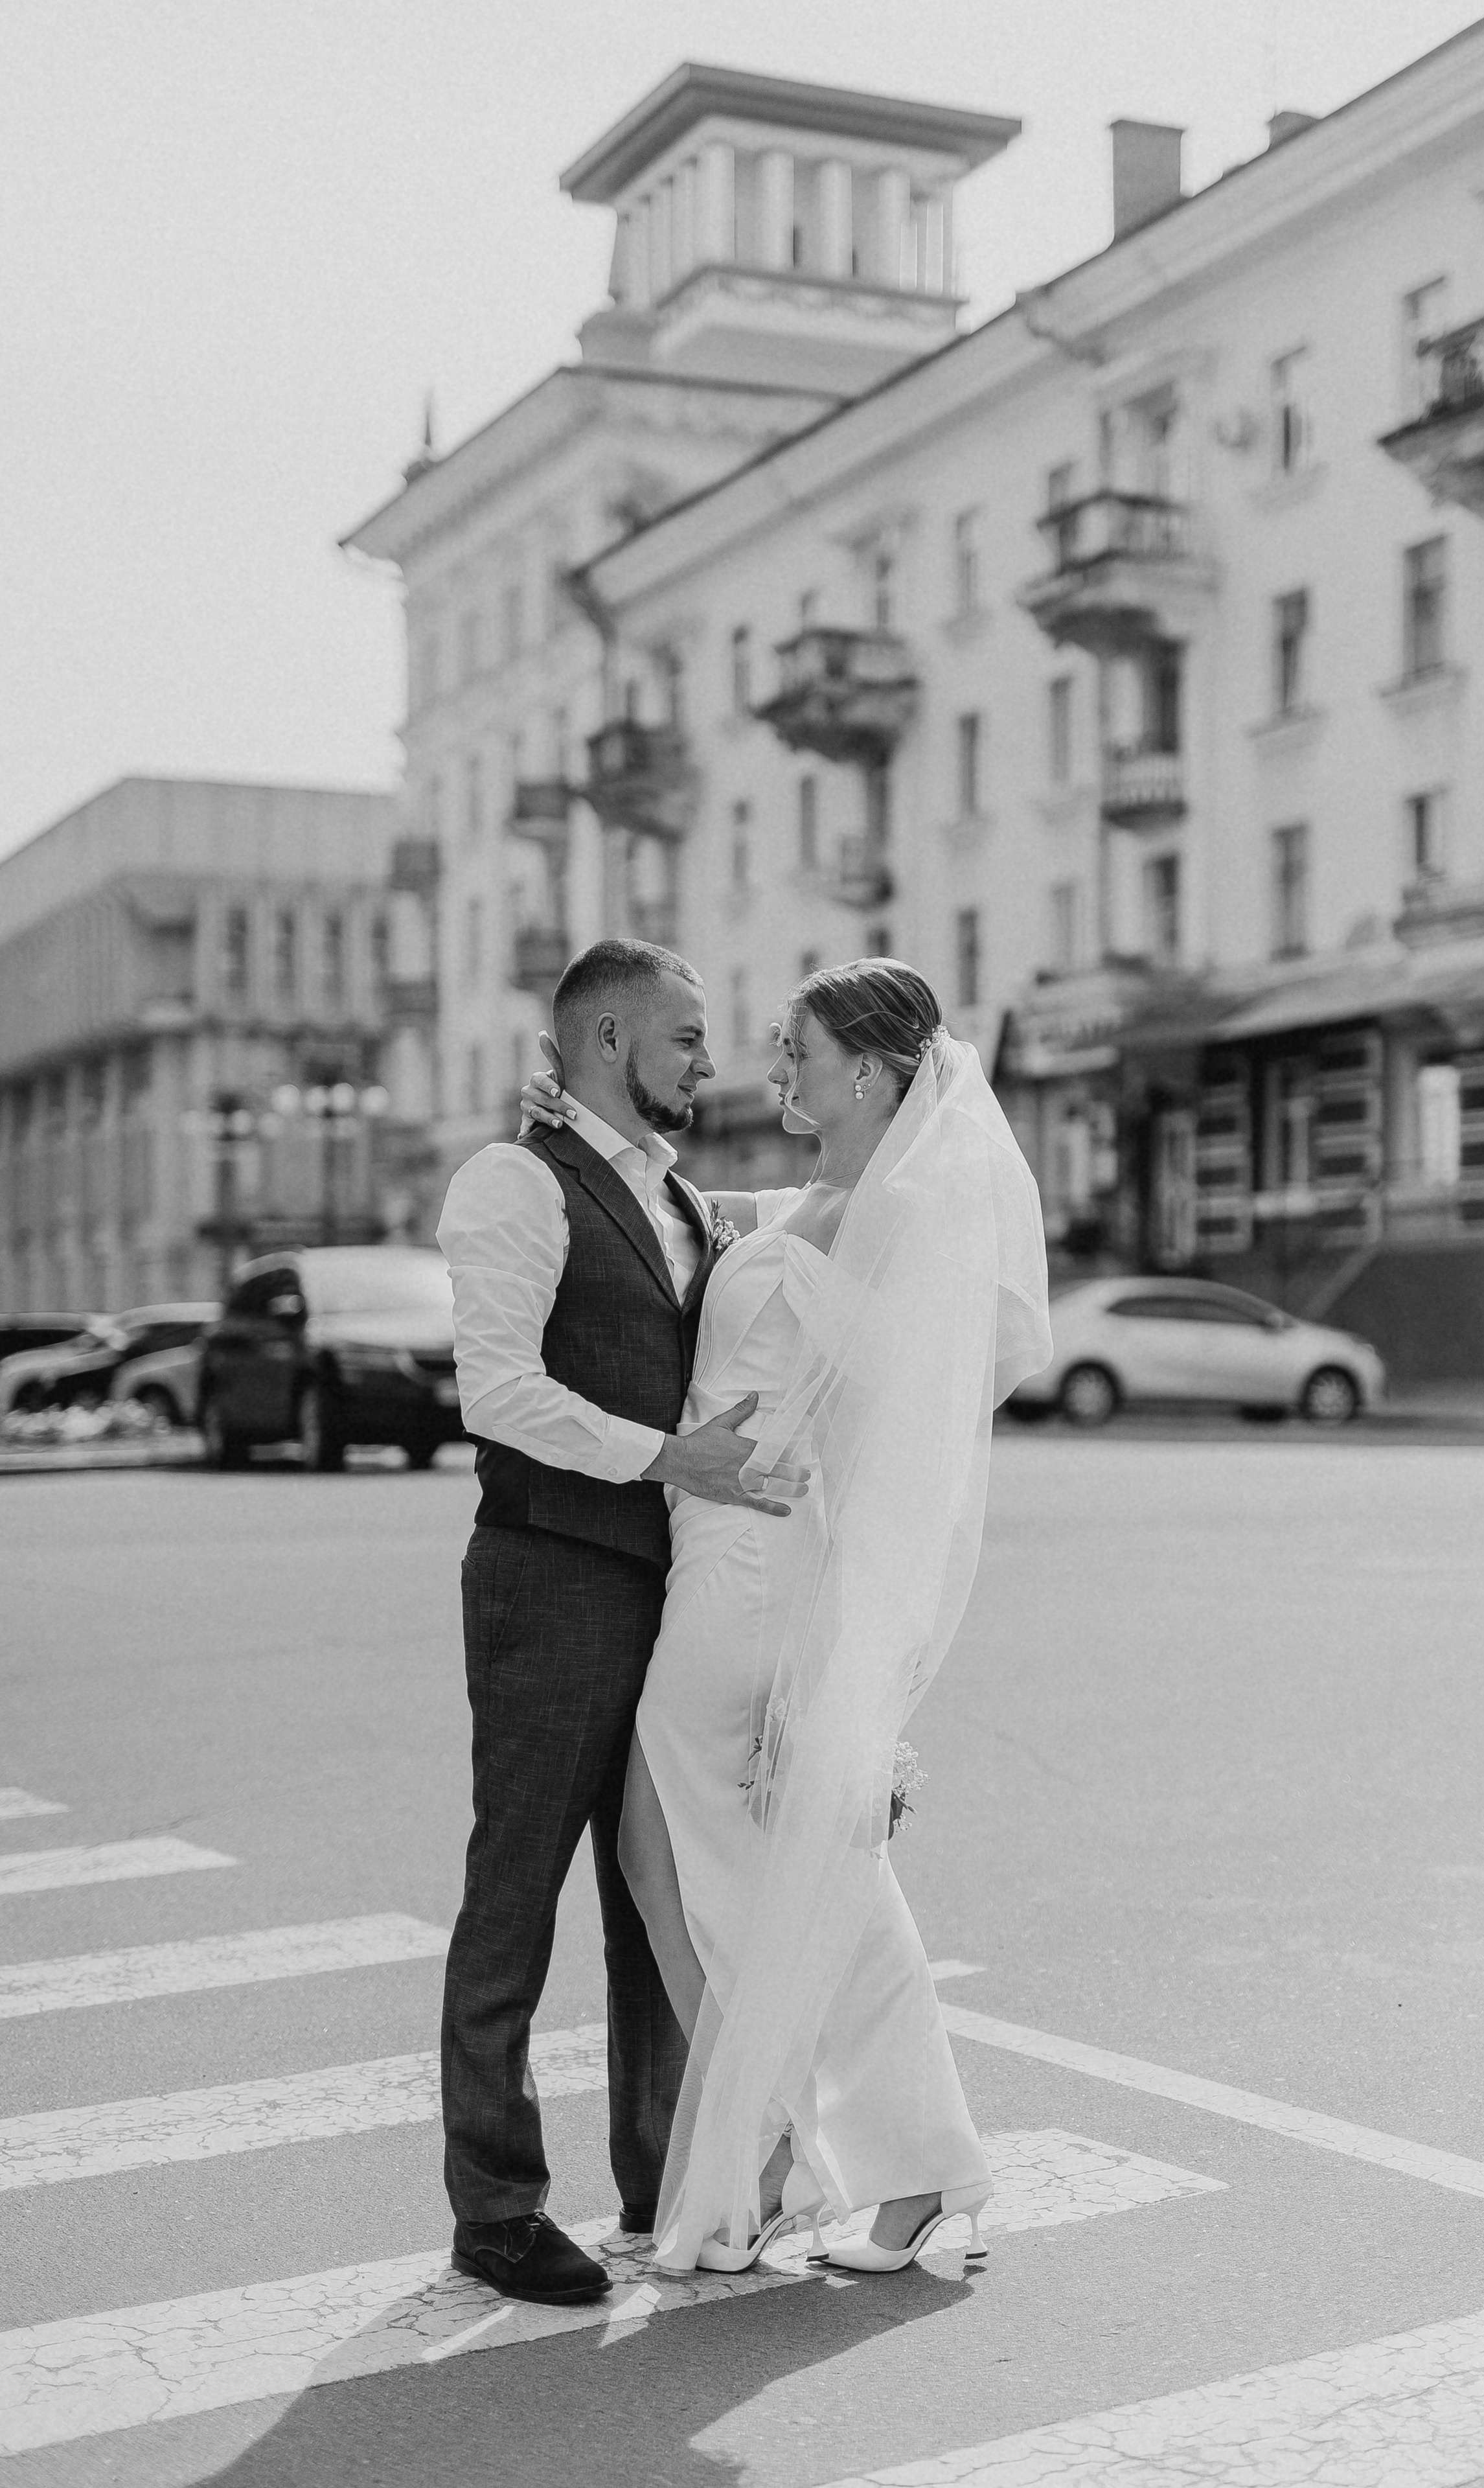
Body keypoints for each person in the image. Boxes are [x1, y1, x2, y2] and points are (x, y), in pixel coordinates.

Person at [519, 958, 1051, 2275]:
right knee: (788, 1870)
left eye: (794, 1047)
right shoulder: (812, 1200)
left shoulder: (900, 1222)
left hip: (755, 1583)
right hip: (714, 1560)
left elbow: (888, 1475)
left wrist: (838, 1679)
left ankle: (789, 2158)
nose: (773, 1067)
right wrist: (584, 1116)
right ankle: (883, 2166)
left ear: (866, 1072)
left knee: (702, 1855)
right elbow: (679, 1211)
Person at [436, 937, 804, 2309]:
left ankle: (660, 2176)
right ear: (605, 1041)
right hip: (550, 1578)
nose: (706, 1062)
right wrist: (667, 1458)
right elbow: (497, 1391)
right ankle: (496, 2211)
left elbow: (828, 1203)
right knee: (516, 1891)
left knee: (658, 1884)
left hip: (669, 1587)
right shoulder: (513, 1181)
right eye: (685, 1037)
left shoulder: (682, 1196)